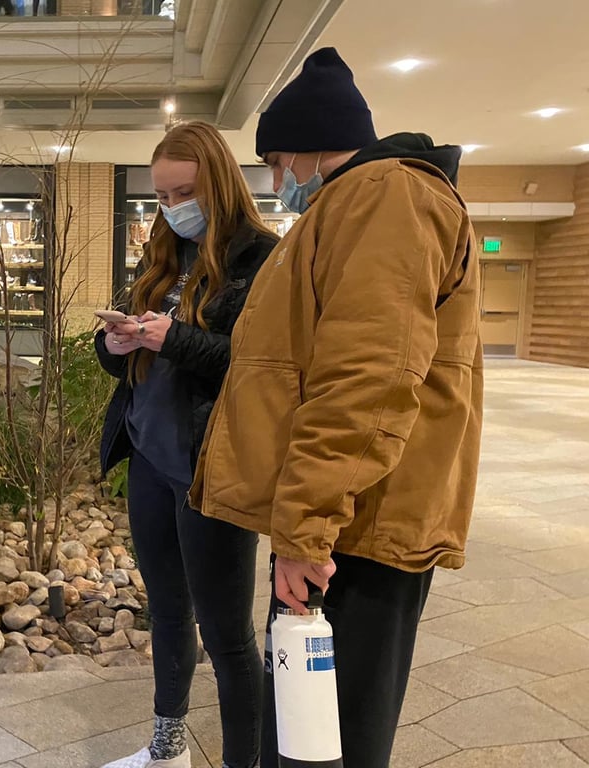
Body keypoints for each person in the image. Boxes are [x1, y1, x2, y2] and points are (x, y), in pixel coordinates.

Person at [189, 48, 483, 768]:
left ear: (309, 145)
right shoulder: (361, 201)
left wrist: (307, 528)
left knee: (330, 745)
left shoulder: (386, 196)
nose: (276, 178)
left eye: (277, 160)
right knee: (306, 735)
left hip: (360, 524)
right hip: (347, 520)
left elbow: (368, 377)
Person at [95, 121, 278, 768]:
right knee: (167, 612)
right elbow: (120, 353)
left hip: (214, 468)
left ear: (220, 184)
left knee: (228, 636)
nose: (173, 208)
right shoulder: (162, 249)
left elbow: (257, 365)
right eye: (162, 196)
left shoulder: (259, 256)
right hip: (149, 455)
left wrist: (169, 338)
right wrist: (115, 343)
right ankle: (166, 747)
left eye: (184, 192)